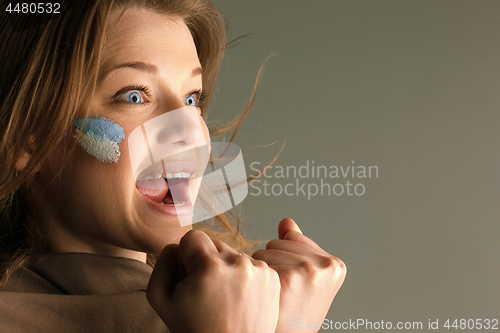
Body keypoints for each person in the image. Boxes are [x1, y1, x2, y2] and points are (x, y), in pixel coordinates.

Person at [0, 0, 347, 332]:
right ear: (27, 139)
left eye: (191, 99)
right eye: (134, 95)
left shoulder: (256, 301)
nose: (191, 130)